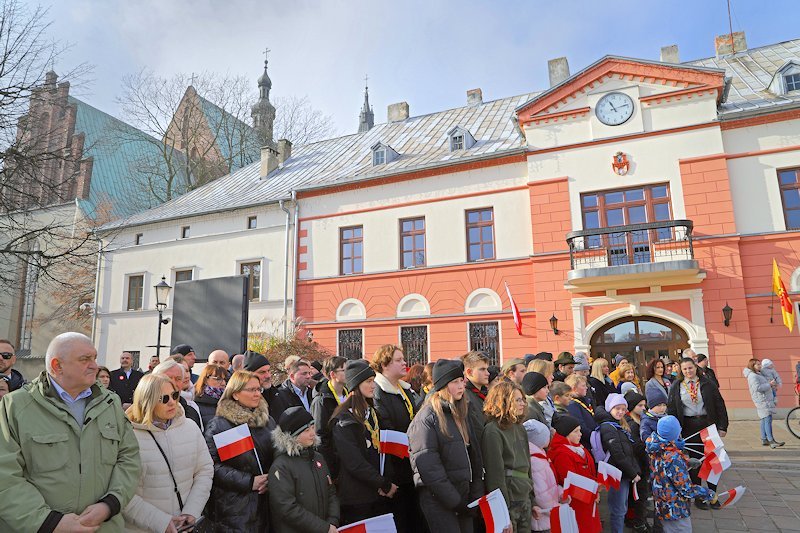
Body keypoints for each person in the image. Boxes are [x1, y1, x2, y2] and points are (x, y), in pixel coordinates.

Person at [0, 332, 139, 531]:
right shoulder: (15, 406)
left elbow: (129, 458)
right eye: (85, 359)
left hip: (104, 526)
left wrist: (110, 504)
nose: (94, 365)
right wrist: (49, 522)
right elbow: (4, 476)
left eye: (94, 358)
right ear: (57, 366)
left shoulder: (110, 403)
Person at [123, 374, 213, 533]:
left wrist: (191, 511)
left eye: (175, 395)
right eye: (163, 398)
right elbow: (122, 492)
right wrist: (161, 522)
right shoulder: (127, 436)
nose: (172, 402)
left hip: (185, 526)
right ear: (147, 401)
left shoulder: (190, 427)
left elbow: (204, 471)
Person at [408, 359, 484, 532]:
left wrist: (475, 494)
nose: (461, 386)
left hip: (464, 497)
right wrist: (455, 501)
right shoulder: (427, 418)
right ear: (442, 385)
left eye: (461, 381)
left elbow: (475, 456)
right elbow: (430, 468)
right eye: (454, 382)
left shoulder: (462, 412)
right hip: (439, 501)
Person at [205, 370, 275, 532]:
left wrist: (272, 477)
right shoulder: (220, 425)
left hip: (268, 504)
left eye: (259, 389)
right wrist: (250, 481)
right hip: (236, 508)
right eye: (251, 390)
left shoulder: (267, 421)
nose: (257, 394)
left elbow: (278, 455)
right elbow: (212, 466)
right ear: (235, 394)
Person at [330, 359, 396, 524]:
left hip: (378, 494)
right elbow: (355, 463)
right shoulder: (344, 420)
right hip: (357, 497)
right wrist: (383, 483)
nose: (373, 385)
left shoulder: (372, 413)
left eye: (373, 381)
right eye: (368, 381)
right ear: (355, 385)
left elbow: (382, 450)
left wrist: (386, 481)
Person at [371, 344, 424, 532]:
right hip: (396, 471)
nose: (405, 363)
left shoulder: (405, 390)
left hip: (411, 465)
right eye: (398, 360)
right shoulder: (378, 391)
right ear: (385, 364)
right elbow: (387, 429)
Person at [667, 357, 728, 509]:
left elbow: (719, 404)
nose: (688, 371)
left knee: (713, 461)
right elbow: (672, 409)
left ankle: (713, 496)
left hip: (708, 425)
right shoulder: (677, 386)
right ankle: (700, 496)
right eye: (685, 369)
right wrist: (675, 431)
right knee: (695, 462)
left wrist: (723, 426)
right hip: (688, 427)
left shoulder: (708, 384)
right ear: (681, 370)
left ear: (695, 368)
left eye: (690, 368)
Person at [269, 406, 340, 533]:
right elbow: (287, 508)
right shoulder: (281, 466)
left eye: (313, 427)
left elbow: (331, 493)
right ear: (292, 436)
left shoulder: (318, 458)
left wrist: (332, 521)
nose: (313, 433)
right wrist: (323, 528)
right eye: (307, 430)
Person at [646, 416, 715, 533]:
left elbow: (665, 467)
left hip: (662, 504)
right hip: (676, 509)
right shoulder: (674, 458)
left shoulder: (655, 448)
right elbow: (686, 489)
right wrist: (708, 493)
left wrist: (687, 462)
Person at [482, 381, 533, 533]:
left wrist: (533, 498)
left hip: (524, 495)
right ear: (503, 401)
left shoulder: (519, 427)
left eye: (523, 399)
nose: (523, 403)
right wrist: (502, 514)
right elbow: (495, 475)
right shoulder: (492, 431)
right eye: (517, 400)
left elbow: (528, 466)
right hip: (509, 497)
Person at [547, 415, 601, 533]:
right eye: (576, 431)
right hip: (577, 502)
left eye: (580, 430)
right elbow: (569, 480)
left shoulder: (578, 447)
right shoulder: (561, 453)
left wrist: (596, 488)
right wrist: (592, 492)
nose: (580, 434)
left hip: (588, 498)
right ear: (566, 433)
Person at [597, 393, 641, 533]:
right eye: (617, 408)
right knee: (618, 509)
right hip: (618, 473)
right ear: (610, 408)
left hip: (623, 472)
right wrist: (633, 473)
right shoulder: (608, 427)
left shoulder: (618, 425)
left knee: (622, 506)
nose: (621, 412)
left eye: (623, 409)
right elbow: (618, 455)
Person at [311, 355, 348, 478]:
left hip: (349, 458)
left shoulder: (350, 394)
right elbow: (321, 437)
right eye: (344, 370)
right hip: (335, 463)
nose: (349, 373)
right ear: (333, 375)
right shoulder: (322, 400)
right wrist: (331, 468)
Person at [524, 419, 559, 533]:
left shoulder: (539, 455)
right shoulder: (535, 460)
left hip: (547, 514)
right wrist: (554, 508)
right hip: (543, 518)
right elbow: (541, 493)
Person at [743, 358, 784, 448]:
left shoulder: (757, 374)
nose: (760, 366)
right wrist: (769, 384)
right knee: (767, 419)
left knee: (763, 419)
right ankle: (771, 441)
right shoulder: (753, 376)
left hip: (764, 399)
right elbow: (757, 388)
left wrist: (770, 383)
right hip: (762, 400)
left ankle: (764, 439)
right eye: (757, 364)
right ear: (752, 365)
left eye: (760, 364)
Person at [624, 391, 649, 533]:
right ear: (632, 407)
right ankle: (639, 523)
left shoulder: (638, 420)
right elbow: (637, 447)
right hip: (638, 466)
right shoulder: (632, 424)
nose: (643, 408)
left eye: (644, 405)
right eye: (640, 405)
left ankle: (636, 519)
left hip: (639, 465)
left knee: (638, 496)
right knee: (640, 495)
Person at [153, 359, 203, 429]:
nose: (173, 383)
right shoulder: (142, 412)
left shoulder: (191, 412)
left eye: (178, 379)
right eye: (168, 378)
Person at [463, 350, 491, 441]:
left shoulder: (483, 393)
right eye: (482, 369)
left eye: (487, 369)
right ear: (469, 372)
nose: (488, 373)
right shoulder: (465, 396)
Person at [565, 374, 597, 449]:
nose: (586, 388)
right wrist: (594, 437)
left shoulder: (584, 400)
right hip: (587, 443)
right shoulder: (572, 405)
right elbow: (581, 426)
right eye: (583, 386)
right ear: (574, 388)